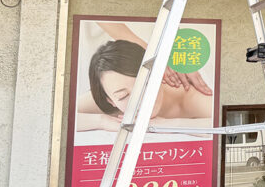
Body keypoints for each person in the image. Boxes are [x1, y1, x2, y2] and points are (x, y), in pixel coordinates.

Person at [76, 39, 213, 132]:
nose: (140, 99)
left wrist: (169, 124)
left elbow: (223, 124)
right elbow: (67, 116)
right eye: (123, 96)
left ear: (159, 75)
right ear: (111, 101)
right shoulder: (105, 94)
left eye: (145, 85)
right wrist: (102, 121)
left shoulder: (188, 96)